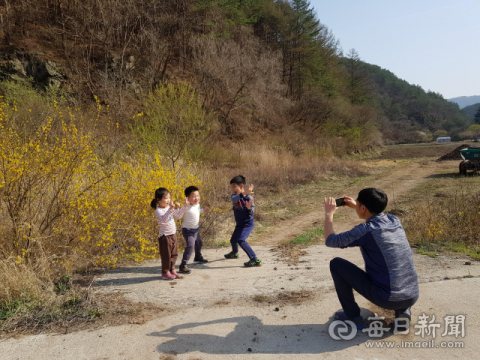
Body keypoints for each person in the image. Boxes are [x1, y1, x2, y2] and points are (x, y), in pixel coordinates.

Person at [324, 188, 419, 330]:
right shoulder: (394, 220)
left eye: (358, 202)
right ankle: (403, 311)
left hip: (387, 298)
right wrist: (357, 206)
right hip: (412, 295)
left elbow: (331, 240)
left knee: (336, 264)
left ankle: (353, 317)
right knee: (395, 272)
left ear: (364, 207)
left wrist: (328, 214)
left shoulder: (366, 230)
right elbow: (372, 212)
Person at [150, 187, 188, 280]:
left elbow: (178, 215)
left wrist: (184, 206)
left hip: (173, 235)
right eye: (165, 198)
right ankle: (165, 272)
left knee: (174, 254)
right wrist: (171, 209)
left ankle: (172, 270)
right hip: (165, 236)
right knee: (166, 255)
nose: (168, 200)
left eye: (169, 198)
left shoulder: (168, 208)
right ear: (158, 200)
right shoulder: (158, 211)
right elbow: (163, 218)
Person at [224, 175, 262, 267]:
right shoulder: (234, 196)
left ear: (241, 186)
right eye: (232, 187)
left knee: (241, 240)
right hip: (239, 224)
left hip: (248, 224)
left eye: (234, 186)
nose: (233, 189)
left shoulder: (249, 198)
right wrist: (244, 193)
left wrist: (249, 208)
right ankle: (235, 253)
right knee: (233, 240)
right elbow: (234, 199)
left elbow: (252, 212)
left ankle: (255, 259)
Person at [177, 186, 209, 274]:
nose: (197, 198)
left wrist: (203, 210)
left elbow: (197, 211)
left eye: (198, 195)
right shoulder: (185, 207)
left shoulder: (197, 205)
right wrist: (182, 207)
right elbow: (178, 216)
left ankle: (198, 257)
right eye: (194, 196)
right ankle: (183, 265)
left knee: (199, 243)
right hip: (187, 230)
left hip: (196, 229)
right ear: (187, 198)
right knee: (191, 246)